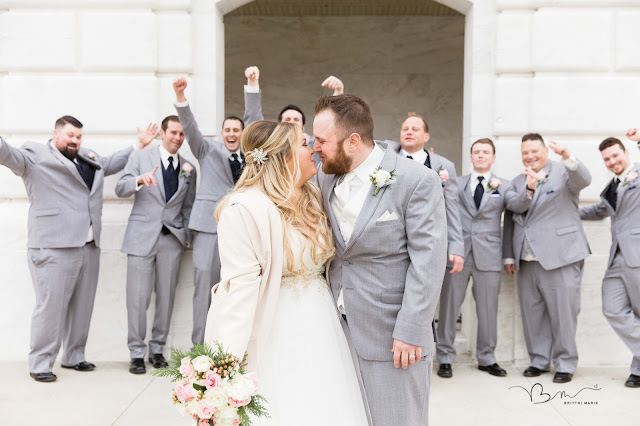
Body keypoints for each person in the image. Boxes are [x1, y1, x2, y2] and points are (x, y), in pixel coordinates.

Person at [204, 120, 368, 425]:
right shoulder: (243, 210)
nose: (314, 150)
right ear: (284, 157)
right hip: (278, 328)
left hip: (324, 324)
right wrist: (222, 366)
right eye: (304, 145)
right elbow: (238, 291)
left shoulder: (315, 197)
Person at [313, 95, 448, 425]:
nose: (315, 148)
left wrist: (412, 329)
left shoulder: (417, 181)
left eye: (321, 140)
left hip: (394, 336)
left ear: (353, 141)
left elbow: (428, 263)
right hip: (338, 330)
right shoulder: (324, 177)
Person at [0, 115, 151, 382]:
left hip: (89, 244)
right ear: (55, 133)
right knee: (51, 307)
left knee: (83, 305)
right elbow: (8, 155)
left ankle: (74, 356)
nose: (75, 141)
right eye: (70, 135)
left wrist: (137, 145)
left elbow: (109, 164)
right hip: (53, 246)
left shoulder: (86, 155)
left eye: (79, 137)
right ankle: (40, 363)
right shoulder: (35, 154)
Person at [172, 66, 263, 346]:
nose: (232, 133)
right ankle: (199, 349)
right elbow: (190, 127)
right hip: (209, 228)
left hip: (243, 231)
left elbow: (255, 120)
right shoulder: (206, 150)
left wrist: (252, 84)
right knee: (204, 290)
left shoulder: (252, 155)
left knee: (239, 290)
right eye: (228, 129)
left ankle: (231, 347)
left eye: (237, 130)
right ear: (221, 133)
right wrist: (180, 96)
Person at [380, 112, 464, 378]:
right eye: (405, 127)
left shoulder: (442, 165)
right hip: (394, 246)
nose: (409, 131)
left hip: (431, 244)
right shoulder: (387, 160)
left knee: (438, 302)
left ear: (426, 136)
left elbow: (453, 208)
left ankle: (444, 356)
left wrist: (457, 247)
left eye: (415, 128)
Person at [504, 133, 591, 384]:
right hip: (527, 259)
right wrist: (509, 255)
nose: (530, 156)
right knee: (533, 314)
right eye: (525, 153)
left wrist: (567, 156)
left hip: (561, 256)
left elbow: (584, 179)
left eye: (534, 151)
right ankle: (539, 360)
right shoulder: (517, 181)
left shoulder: (564, 173)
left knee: (564, 313)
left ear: (545, 151)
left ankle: (565, 363)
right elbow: (514, 209)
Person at [115, 116, 197, 374]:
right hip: (141, 237)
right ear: (163, 133)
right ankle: (136, 353)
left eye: (182, 134)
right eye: (173, 132)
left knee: (166, 298)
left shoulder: (188, 167)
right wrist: (138, 181)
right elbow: (119, 188)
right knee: (137, 299)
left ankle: (157, 349)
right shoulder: (141, 157)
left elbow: (188, 205)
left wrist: (184, 236)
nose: (178, 138)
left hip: (171, 240)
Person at [436, 138, 513, 378]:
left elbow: (515, 213)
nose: (480, 155)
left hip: (489, 255)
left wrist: (509, 256)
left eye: (485, 152)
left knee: (488, 308)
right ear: (470, 157)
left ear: (493, 157)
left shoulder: (506, 186)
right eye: (476, 152)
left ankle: (487, 357)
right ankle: (445, 357)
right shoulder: (455, 184)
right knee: (449, 307)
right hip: (457, 254)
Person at [579, 137, 640, 388]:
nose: (612, 161)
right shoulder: (611, 187)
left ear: (626, 153)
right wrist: (565, 212)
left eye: (616, 155)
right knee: (612, 308)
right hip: (616, 256)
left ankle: (637, 370)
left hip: (637, 253)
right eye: (607, 158)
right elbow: (599, 211)